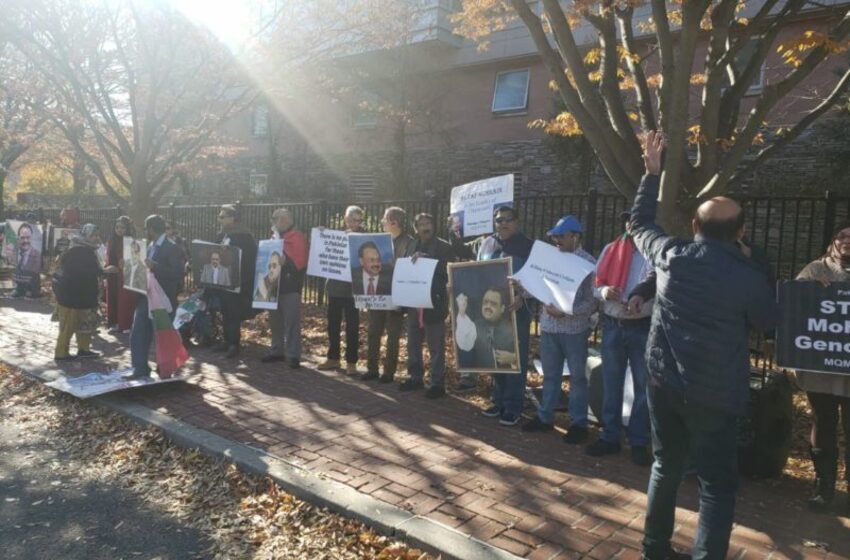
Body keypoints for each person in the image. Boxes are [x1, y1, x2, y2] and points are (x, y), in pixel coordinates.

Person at [633, 131, 778, 560]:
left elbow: (639, 225)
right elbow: (769, 323)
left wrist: (651, 173)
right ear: (741, 232)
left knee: (666, 466)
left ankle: (653, 548)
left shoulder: (672, 255)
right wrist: (758, 263)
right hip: (715, 396)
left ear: (695, 227)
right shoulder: (749, 277)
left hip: (664, 384)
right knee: (716, 486)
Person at [519, 215, 597, 444]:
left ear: (575, 236)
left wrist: (566, 312)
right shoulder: (550, 258)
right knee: (550, 375)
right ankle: (545, 417)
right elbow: (537, 285)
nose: (557, 241)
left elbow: (592, 302)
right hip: (549, 327)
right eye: (555, 237)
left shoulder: (589, 263)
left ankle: (578, 423)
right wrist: (521, 285)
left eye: (561, 236)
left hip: (574, 329)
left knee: (577, 378)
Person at [584, 212, 653, 465]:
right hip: (613, 324)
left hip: (642, 326)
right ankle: (610, 437)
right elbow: (595, 284)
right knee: (611, 383)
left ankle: (638, 441)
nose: (632, 226)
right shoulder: (611, 249)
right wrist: (604, 291)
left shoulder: (654, 254)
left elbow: (660, 287)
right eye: (628, 222)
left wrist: (641, 302)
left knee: (643, 387)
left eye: (637, 222)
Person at [459, 206, 533, 426]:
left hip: (515, 311)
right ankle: (498, 401)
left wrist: (523, 297)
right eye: (499, 220)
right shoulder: (487, 244)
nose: (503, 224)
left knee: (514, 358)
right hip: (492, 312)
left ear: (517, 221)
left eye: (508, 219)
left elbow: (538, 279)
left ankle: (513, 406)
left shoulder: (529, 246)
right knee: (495, 355)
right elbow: (478, 272)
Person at [794, 222, 850, 514]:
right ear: (832, 240)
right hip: (821, 368)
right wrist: (810, 291)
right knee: (824, 423)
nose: (846, 241)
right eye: (841, 235)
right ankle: (824, 485)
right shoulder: (815, 270)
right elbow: (794, 305)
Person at [399, 213, 456, 397]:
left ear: (434, 225)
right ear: (416, 228)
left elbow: (448, 273)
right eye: (421, 224)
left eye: (428, 223)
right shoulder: (411, 244)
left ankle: (437, 384)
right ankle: (415, 378)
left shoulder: (444, 247)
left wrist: (426, 262)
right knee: (413, 342)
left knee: (436, 345)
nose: (425, 227)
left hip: (434, 301)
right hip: (414, 301)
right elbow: (406, 269)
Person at [128, 215, 186, 380]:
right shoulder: (149, 246)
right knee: (138, 331)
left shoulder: (172, 248)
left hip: (162, 300)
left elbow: (178, 273)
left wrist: (156, 267)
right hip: (146, 296)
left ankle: (165, 369)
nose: (145, 232)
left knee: (162, 335)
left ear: (151, 229)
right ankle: (139, 368)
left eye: (146, 229)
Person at [52, 224, 117, 361]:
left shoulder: (85, 249)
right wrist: (105, 271)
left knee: (85, 324)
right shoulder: (78, 250)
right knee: (68, 326)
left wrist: (102, 272)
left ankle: (84, 349)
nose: (97, 239)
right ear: (86, 236)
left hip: (83, 295)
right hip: (71, 296)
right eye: (94, 235)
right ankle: (61, 353)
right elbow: (84, 272)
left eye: (98, 235)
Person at [361, 207, 411, 382]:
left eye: (384, 219)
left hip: (396, 294)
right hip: (378, 292)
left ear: (394, 222)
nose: (382, 222)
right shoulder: (378, 241)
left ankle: (388, 372)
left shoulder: (409, 243)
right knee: (374, 332)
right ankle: (372, 369)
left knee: (393, 334)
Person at [317, 206, 364, 375]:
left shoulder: (365, 238)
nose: (356, 223)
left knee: (352, 326)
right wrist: (321, 234)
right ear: (345, 219)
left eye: (359, 220)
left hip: (354, 290)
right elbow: (322, 250)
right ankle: (333, 358)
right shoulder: (336, 235)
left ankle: (351, 362)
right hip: (335, 288)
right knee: (333, 325)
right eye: (352, 219)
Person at [261, 207, 308, 369]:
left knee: (291, 322)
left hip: (290, 287)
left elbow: (301, 263)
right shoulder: (276, 237)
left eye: (275, 218)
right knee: (275, 321)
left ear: (285, 220)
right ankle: (277, 350)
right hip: (274, 286)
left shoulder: (297, 237)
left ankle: (293, 354)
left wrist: (286, 262)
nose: (272, 222)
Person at [209, 204, 257, 359]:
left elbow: (250, 259)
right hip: (223, 279)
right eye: (219, 216)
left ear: (232, 218)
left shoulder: (245, 236)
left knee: (234, 312)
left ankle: (234, 344)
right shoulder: (221, 235)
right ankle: (226, 340)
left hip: (237, 281)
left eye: (222, 216)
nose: (219, 219)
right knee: (224, 311)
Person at [454, 287, 518, 370]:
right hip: (479, 378)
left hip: (505, 378)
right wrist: (461, 313)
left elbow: (523, 356)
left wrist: (513, 358)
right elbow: (464, 344)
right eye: (485, 302)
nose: (488, 306)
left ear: (502, 308)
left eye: (493, 304)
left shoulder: (511, 329)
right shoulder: (473, 327)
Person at [105, 216, 139, 333]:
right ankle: (115, 322)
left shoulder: (132, 242)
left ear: (128, 228)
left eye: (122, 227)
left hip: (126, 275)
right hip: (113, 274)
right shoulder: (112, 240)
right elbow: (108, 257)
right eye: (117, 227)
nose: (119, 230)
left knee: (125, 300)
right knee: (113, 298)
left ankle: (126, 323)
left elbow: (137, 260)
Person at [11, 222, 42, 298]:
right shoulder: (14, 252)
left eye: (28, 237)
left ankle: (31, 289)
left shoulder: (37, 254)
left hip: (32, 284)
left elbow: (35, 271)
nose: (25, 241)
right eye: (22, 238)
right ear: (18, 237)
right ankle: (19, 289)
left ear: (31, 237)